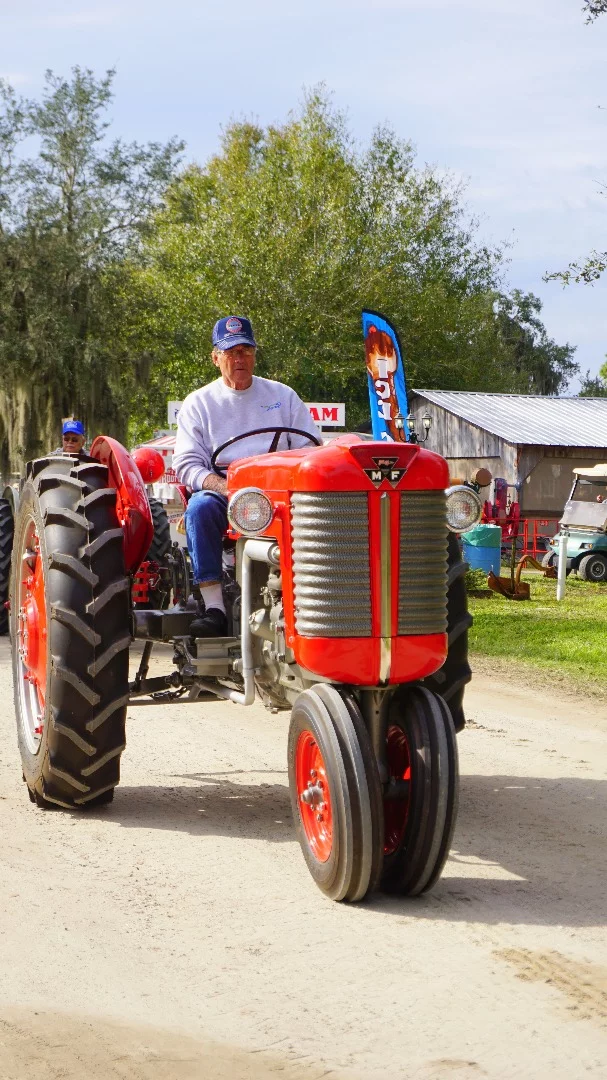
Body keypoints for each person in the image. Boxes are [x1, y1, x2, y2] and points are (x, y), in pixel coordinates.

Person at [173, 315, 320, 637]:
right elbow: (186, 463)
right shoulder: (199, 402)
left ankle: (319, 597)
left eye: (245, 351)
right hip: (225, 490)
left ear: (254, 354)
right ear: (216, 358)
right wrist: (227, 488)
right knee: (199, 508)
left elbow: (310, 448)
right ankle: (214, 607)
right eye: (231, 352)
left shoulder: (283, 395)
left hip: (280, 488)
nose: (239, 359)